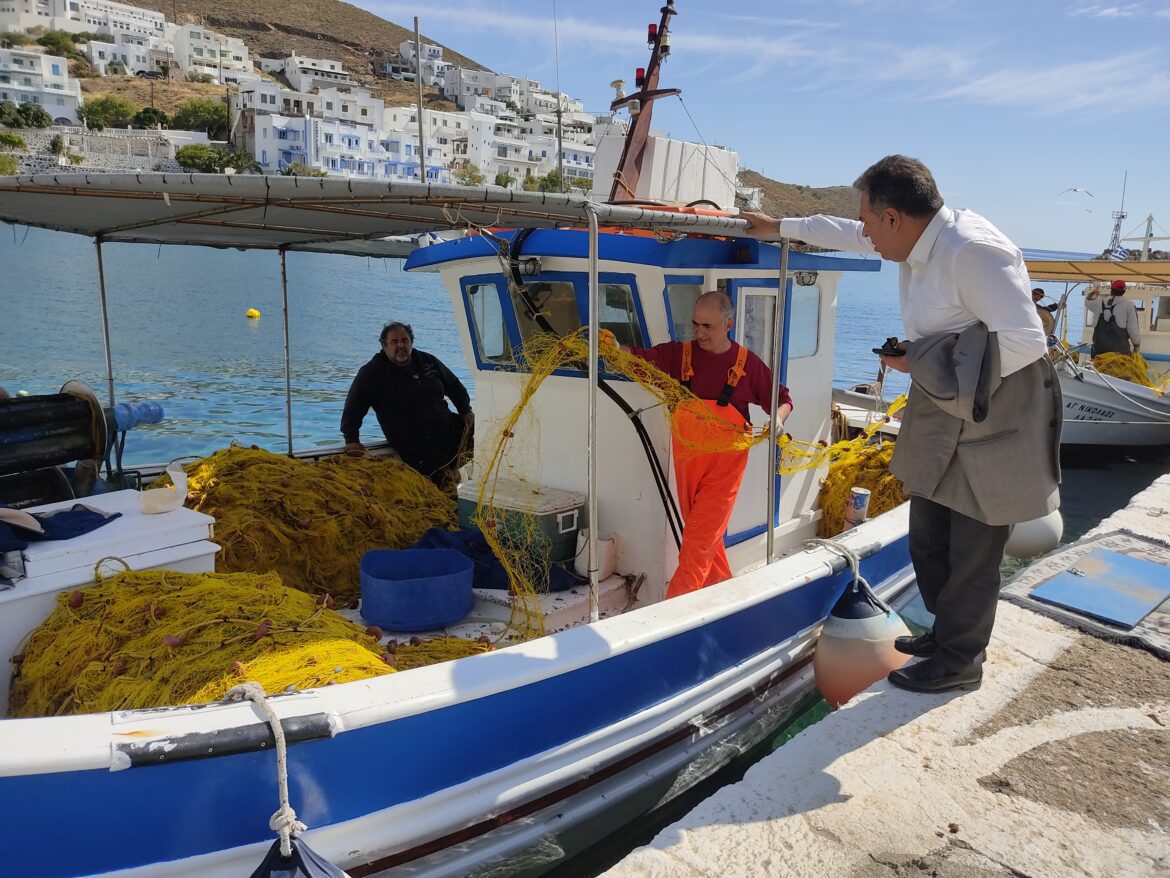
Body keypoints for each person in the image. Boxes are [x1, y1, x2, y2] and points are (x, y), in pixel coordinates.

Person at [743, 154, 1061, 694]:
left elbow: (1027, 341)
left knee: (974, 541)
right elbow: (843, 232)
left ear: (893, 216)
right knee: (929, 530)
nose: (865, 233)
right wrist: (777, 227)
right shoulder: (912, 236)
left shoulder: (974, 251)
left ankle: (960, 661)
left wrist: (930, 362)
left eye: (869, 221)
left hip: (995, 400)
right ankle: (945, 632)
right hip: (944, 394)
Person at [615, 291, 793, 599]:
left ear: (728, 325)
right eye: (695, 324)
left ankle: (673, 612)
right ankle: (722, 596)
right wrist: (616, 348)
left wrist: (777, 418)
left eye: (707, 326)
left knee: (698, 540)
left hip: (725, 467)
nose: (699, 333)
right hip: (688, 462)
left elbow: (783, 399)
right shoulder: (679, 355)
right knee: (703, 535)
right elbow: (641, 360)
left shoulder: (747, 364)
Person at [341, 321, 473, 485]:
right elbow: (353, 407)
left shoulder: (427, 361)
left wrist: (465, 410)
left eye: (405, 340)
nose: (401, 345)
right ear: (384, 346)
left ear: (411, 342)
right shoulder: (373, 372)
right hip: (415, 443)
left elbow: (454, 386)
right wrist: (351, 439)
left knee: (484, 433)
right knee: (441, 481)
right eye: (394, 342)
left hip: (447, 428)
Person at [1087, 279, 1141, 356]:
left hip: (1099, 351)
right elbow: (1133, 328)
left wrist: (1093, 293)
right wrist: (1136, 345)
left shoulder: (1099, 302)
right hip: (1120, 353)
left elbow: (1088, 302)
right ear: (1124, 291)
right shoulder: (1129, 305)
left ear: (1111, 290)